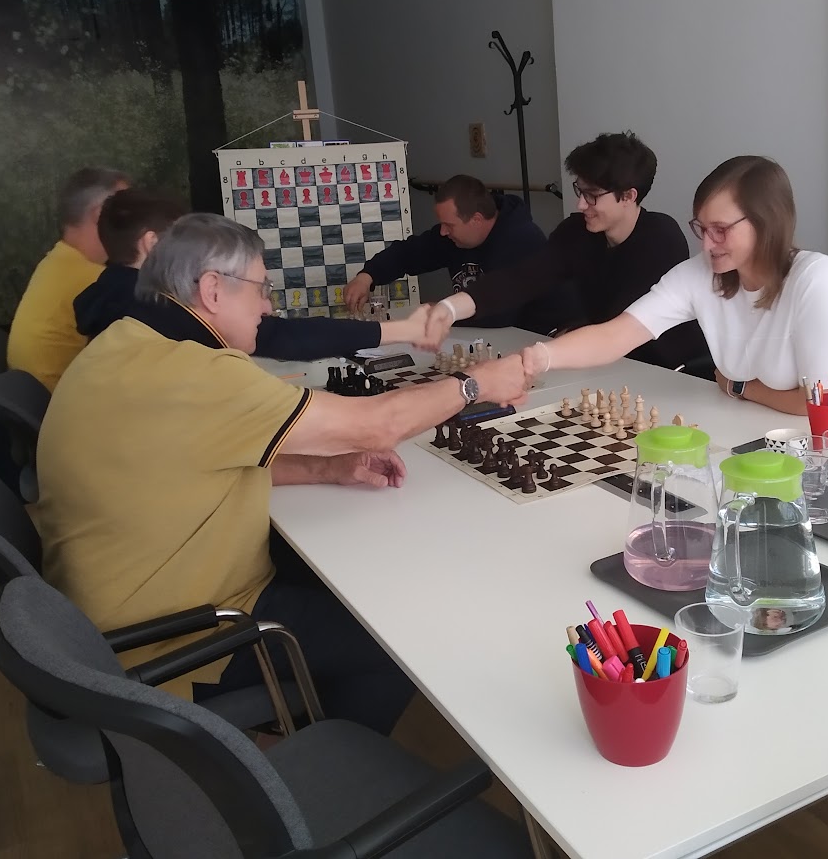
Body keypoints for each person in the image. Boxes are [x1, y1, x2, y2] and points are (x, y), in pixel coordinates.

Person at [34, 213, 529, 735]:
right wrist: (474, 386)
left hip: (108, 614)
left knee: (346, 578)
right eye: (261, 288)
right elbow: (378, 426)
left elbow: (194, 464)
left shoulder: (126, 340)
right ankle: (329, 760)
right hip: (172, 640)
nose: (268, 306)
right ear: (212, 290)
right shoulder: (198, 374)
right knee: (397, 640)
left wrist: (326, 467)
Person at [517, 155, 828, 422]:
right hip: (764, 424)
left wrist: (741, 388)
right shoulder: (701, 273)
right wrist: (535, 358)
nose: (708, 244)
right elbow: (615, 335)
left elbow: (824, 405)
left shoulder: (818, 279)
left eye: (721, 230)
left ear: (767, 223)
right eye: (702, 228)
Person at [421, 132, 708, 369]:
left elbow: (619, 325)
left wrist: (550, 350)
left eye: (592, 196)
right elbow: (522, 278)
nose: (581, 204)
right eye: (579, 191)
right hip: (607, 363)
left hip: (670, 370)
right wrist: (450, 308)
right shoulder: (577, 232)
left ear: (628, 196)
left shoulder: (661, 238)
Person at [74, 188, 431, 356]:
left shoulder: (109, 297)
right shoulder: (154, 307)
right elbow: (280, 336)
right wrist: (402, 330)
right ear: (152, 244)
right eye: (183, 238)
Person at [342, 174, 554, 330]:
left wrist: (444, 311)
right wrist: (367, 276)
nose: (443, 232)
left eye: (449, 225)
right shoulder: (453, 237)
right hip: (484, 336)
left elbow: (499, 314)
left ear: (476, 220)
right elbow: (409, 253)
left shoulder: (521, 241)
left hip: (531, 339)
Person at [7, 166, 129, 391]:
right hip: (63, 400)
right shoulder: (95, 281)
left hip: (37, 395)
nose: (136, 217)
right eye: (128, 208)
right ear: (100, 214)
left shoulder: (58, 258)